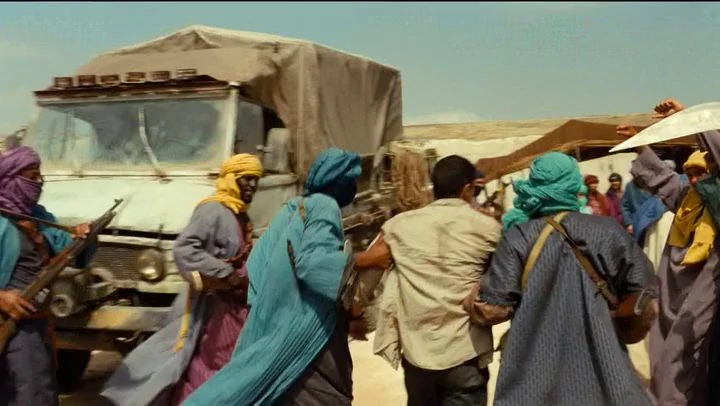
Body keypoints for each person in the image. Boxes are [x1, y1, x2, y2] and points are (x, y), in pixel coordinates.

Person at [465, 151, 657, 406]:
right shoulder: (607, 230)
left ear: (534, 186)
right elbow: (643, 291)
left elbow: (494, 309)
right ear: (573, 184)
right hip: (604, 365)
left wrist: (469, 296)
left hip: (534, 375)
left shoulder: (518, 237)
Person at [183, 147, 364, 406]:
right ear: (338, 182)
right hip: (306, 329)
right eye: (352, 181)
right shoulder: (325, 206)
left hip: (269, 322)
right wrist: (366, 260)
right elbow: (313, 264)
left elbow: (257, 267)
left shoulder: (292, 208)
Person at [100, 153, 264, 406]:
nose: (252, 185)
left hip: (233, 306)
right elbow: (184, 249)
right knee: (207, 362)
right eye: (246, 179)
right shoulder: (213, 209)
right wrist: (226, 274)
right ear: (231, 179)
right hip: (211, 304)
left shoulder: (239, 214)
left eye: (255, 180)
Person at [357, 155, 501, 406]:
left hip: (418, 358)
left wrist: (355, 315)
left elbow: (367, 277)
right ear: (467, 189)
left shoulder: (398, 226)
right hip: (464, 353)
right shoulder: (488, 228)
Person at [617, 98, 720, 405]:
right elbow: (661, 178)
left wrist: (689, 118)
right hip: (671, 296)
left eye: (704, 171)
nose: (697, 179)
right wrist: (640, 147)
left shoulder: (716, 202)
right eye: (692, 173)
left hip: (702, 296)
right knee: (664, 355)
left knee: (682, 357)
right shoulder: (688, 198)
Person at [0, 146, 93, 406]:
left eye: (40, 176)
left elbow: (68, 250)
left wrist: (82, 237)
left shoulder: (38, 217)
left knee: (39, 391)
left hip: (36, 325)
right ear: (10, 178)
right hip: (10, 324)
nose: (39, 182)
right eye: (31, 176)